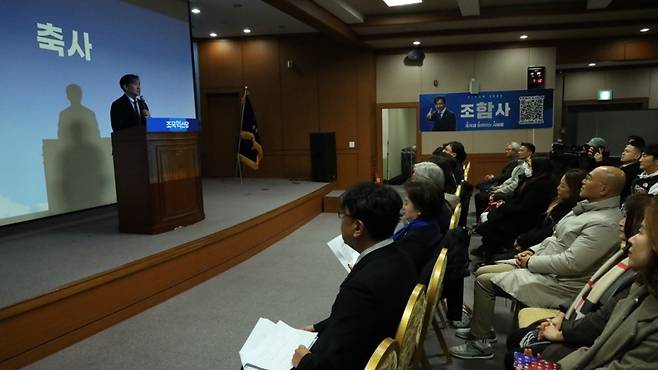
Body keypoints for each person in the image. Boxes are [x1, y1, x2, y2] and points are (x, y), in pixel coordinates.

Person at [449, 166, 625, 360]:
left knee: (485, 282)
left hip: (564, 283)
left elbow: (572, 264)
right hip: (547, 267)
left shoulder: (604, 223)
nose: (583, 181)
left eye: (589, 178)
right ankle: (482, 328)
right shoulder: (585, 208)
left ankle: (479, 343)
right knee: (483, 272)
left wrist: (531, 262)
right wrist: (531, 251)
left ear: (604, 189)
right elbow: (554, 239)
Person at [503, 193, 651, 369]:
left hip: (586, 342)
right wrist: (563, 319)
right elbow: (592, 295)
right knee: (517, 341)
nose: (621, 222)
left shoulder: (637, 278)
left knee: (515, 357)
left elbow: (601, 327)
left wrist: (563, 332)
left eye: (640, 231)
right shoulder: (626, 259)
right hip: (580, 326)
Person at [292, 182, 417, 370]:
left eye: (342, 215)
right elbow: (355, 319)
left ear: (357, 227)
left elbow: (336, 363)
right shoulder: (403, 258)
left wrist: (304, 362)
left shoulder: (361, 288)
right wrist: (317, 327)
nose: (340, 220)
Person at [556, 197, 658, 369]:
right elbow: (600, 347)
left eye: (641, 231)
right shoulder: (641, 288)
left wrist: (564, 331)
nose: (632, 238)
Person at [472, 158, 557, 260]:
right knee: (491, 219)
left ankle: (490, 255)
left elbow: (526, 208)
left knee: (490, 225)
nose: (527, 167)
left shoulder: (542, 185)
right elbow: (517, 197)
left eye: (530, 165)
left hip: (526, 219)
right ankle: (487, 251)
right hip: (519, 213)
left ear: (538, 168)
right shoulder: (532, 180)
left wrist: (503, 207)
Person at [513, 169, 588, 252]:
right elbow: (539, 226)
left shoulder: (571, 212)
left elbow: (546, 234)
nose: (558, 188)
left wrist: (523, 241)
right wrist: (522, 238)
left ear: (574, 190)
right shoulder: (558, 204)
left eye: (562, 186)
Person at [392, 181, 444, 272]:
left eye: (406, 203)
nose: (403, 207)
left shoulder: (416, 237)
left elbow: (397, 267)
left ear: (420, 209)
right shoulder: (430, 225)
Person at [411, 162, 452, 234]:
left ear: (426, 181)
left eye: (415, 176)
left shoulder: (429, 205)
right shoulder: (436, 198)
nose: (411, 179)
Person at [619, 138, 644, 202]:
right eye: (624, 151)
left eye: (627, 151)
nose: (623, 153)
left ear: (637, 156)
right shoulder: (621, 166)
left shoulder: (633, 173)